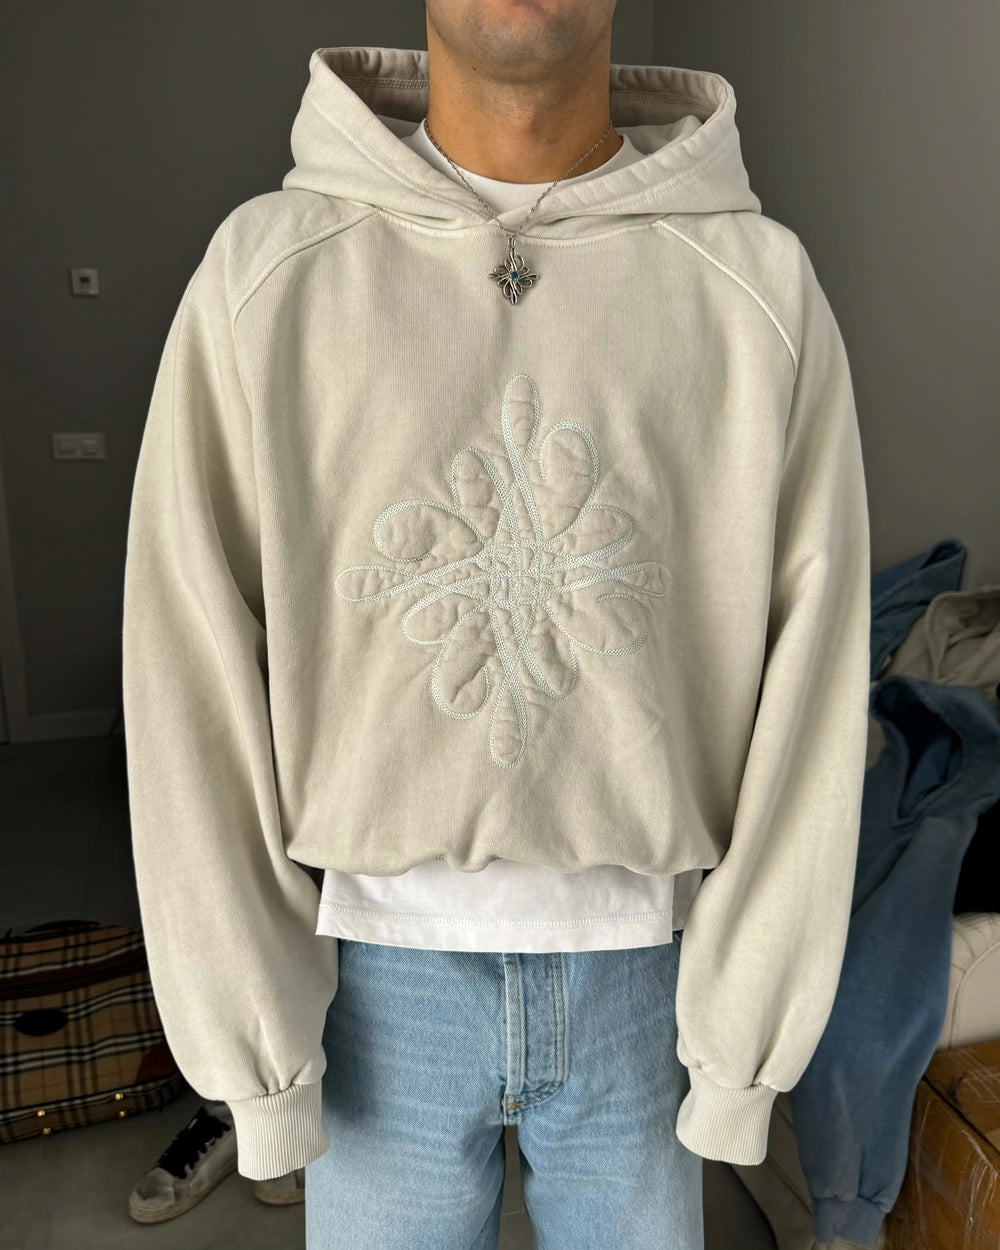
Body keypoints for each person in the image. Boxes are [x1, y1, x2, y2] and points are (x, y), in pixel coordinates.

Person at [121, 3, 872, 1248]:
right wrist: (254, 1048)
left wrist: (745, 1040)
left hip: (647, 968)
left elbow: (816, 672)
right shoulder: (266, 273)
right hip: (371, 976)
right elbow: (187, 667)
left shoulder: (758, 287)